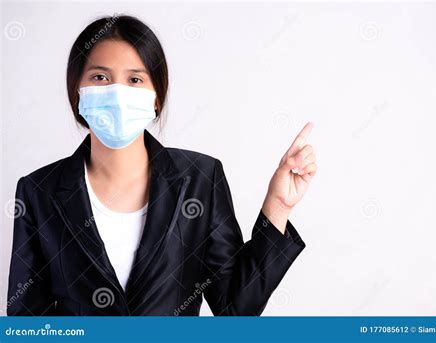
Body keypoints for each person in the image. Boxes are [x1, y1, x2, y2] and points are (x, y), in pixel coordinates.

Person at [7, 15, 317, 316]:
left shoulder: (199, 180)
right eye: (100, 77)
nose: (117, 93)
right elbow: (28, 322)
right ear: (78, 91)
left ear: (156, 97)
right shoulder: (39, 191)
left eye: (135, 79)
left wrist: (278, 206)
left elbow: (236, 308)